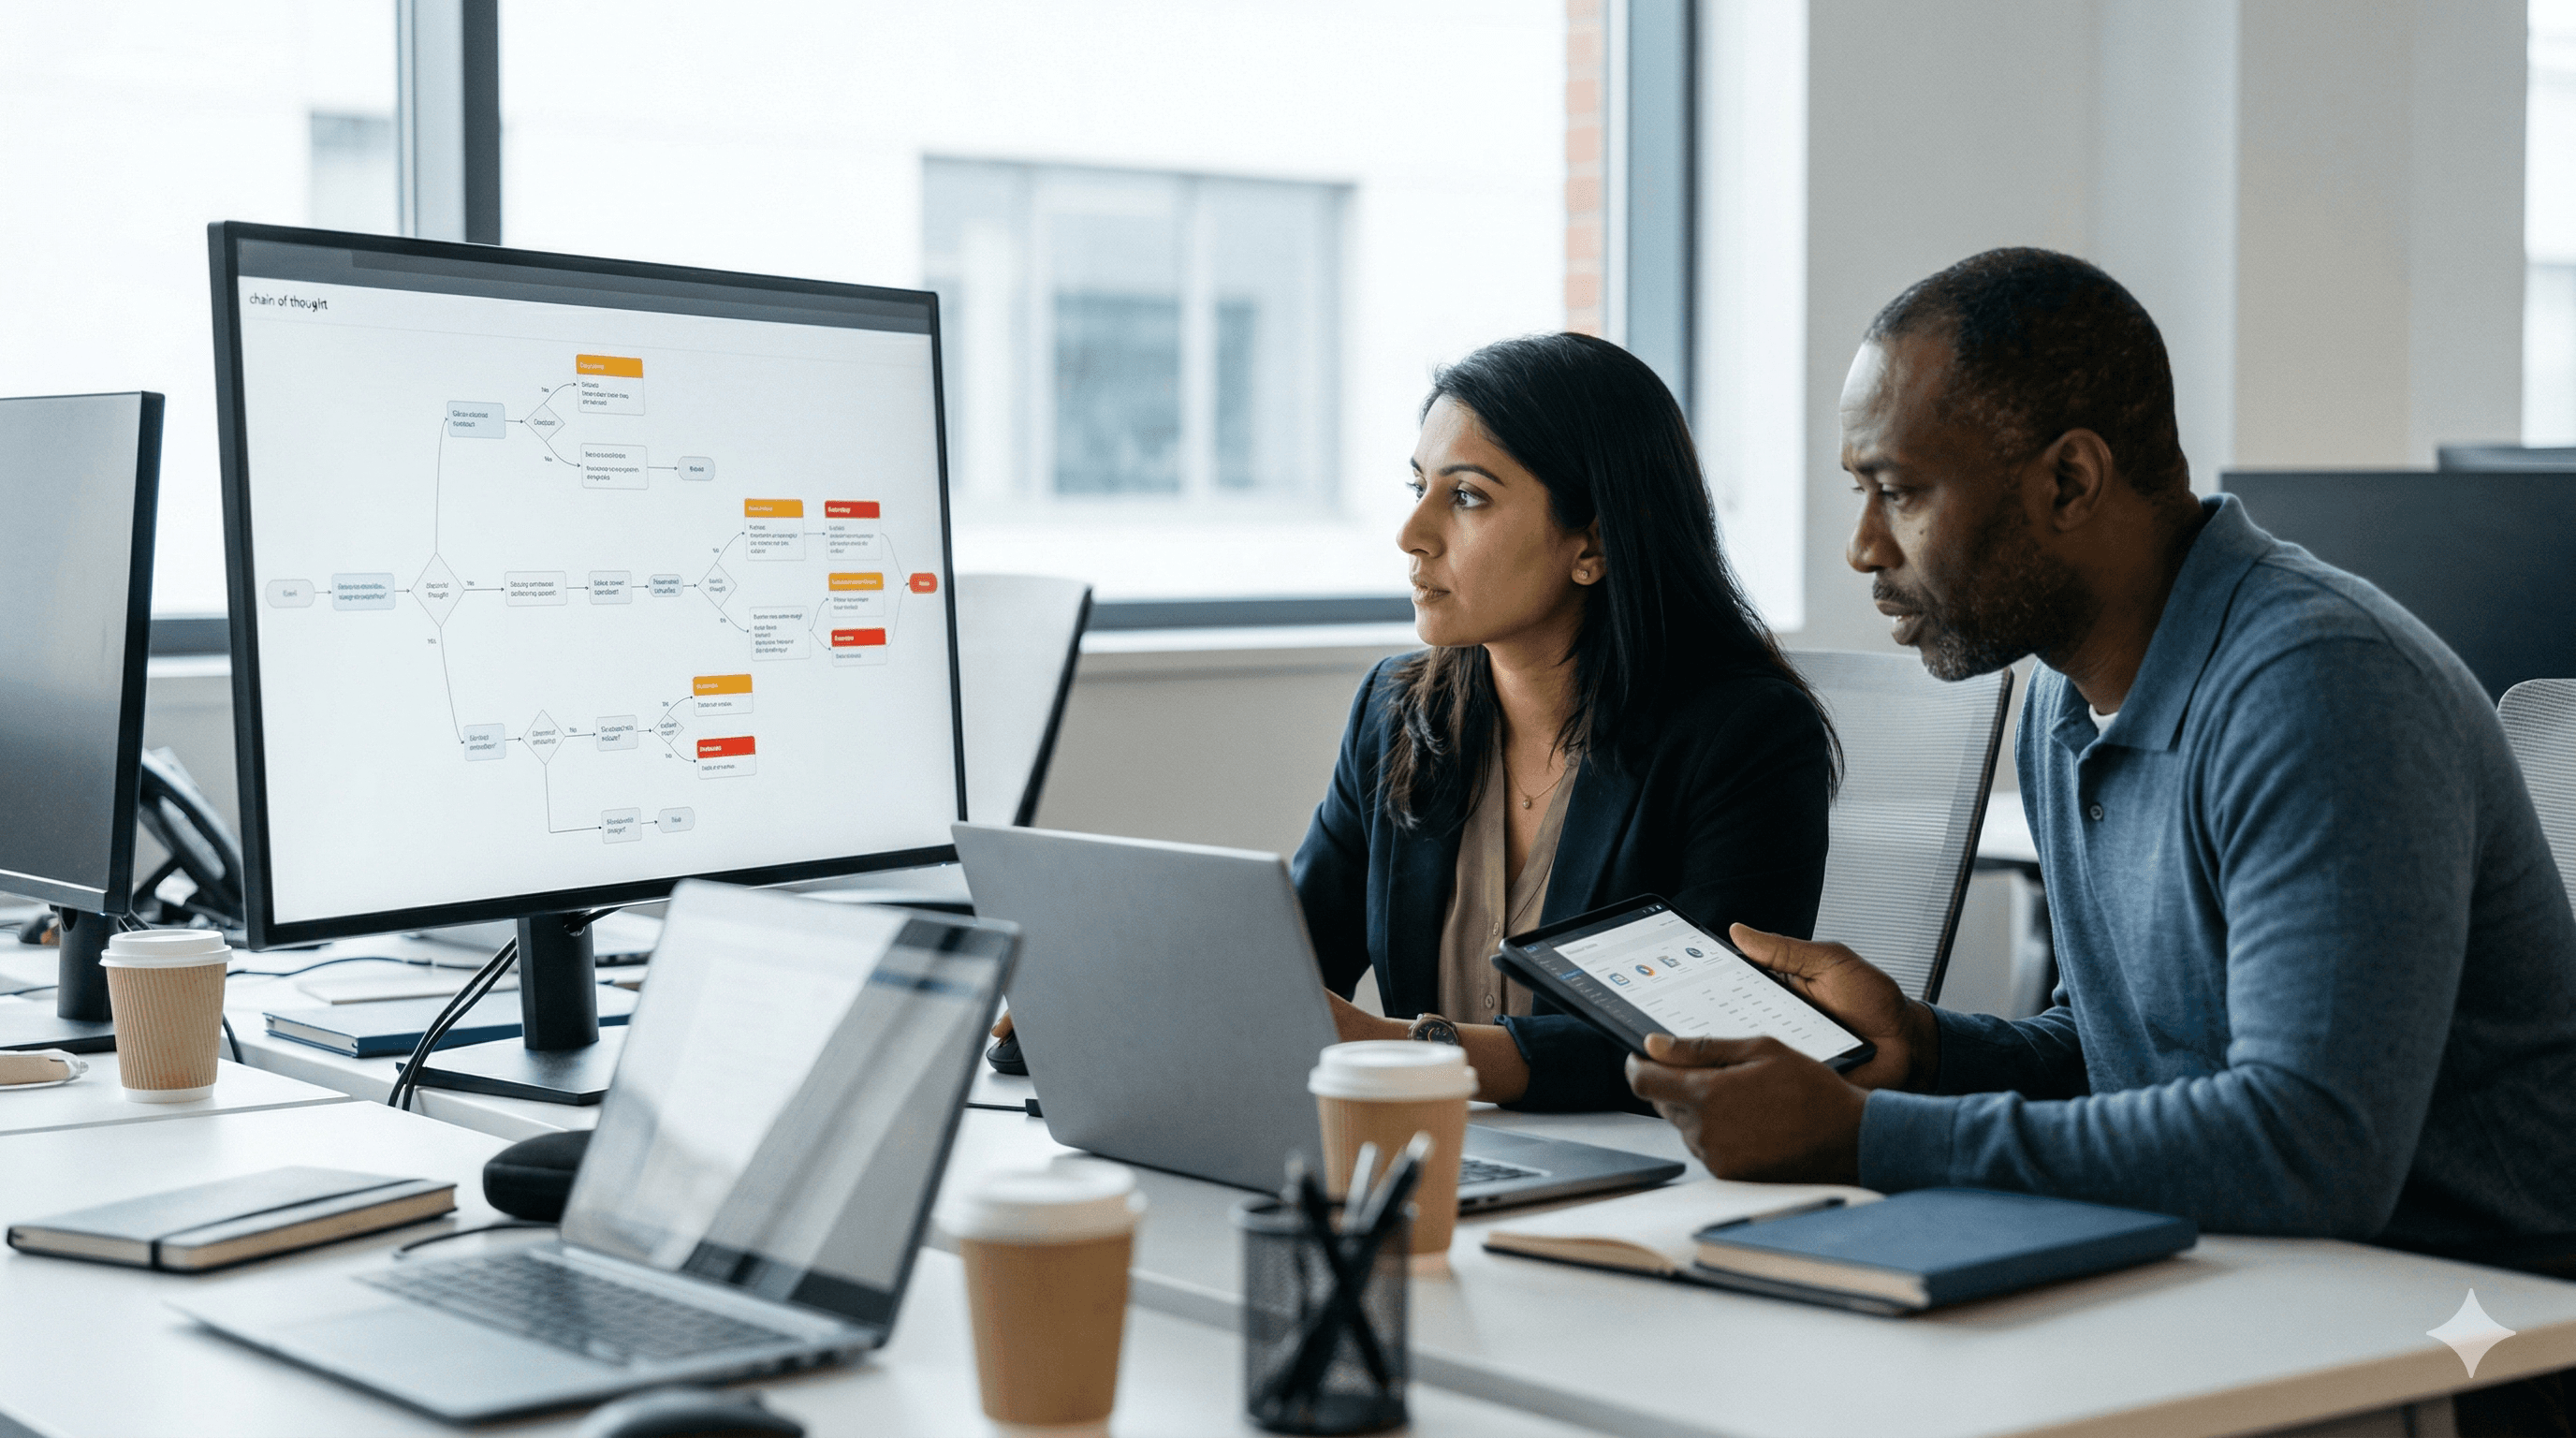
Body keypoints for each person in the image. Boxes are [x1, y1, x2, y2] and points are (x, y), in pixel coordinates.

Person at [1626, 248, 2576, 1256]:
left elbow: (2312, 1148)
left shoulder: (2322, 689)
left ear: (2070, 482)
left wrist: (1868, 1137)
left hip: (2465, 1340)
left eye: (1897, 491)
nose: (1863, 546)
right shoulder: (2061, 698)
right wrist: (1926, 1045)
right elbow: (2127, 1055)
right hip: (2251, 1284)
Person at [1289, 331, 1836, 1111]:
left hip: (1647, 1173)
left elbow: (1697, 1042)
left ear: (1595, 542)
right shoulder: (1395, 712)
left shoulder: (1745, 738)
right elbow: (1293, 961)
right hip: (1442, 1154)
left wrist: (1401, 1051)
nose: (1413, 534)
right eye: (1418, 487)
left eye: (1467, 496)